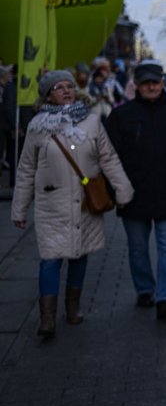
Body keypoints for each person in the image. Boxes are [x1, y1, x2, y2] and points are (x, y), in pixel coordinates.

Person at [12, 71, 134, 336]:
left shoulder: (91, 122)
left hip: (85, 203)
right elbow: (26, 168)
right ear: (47, 95)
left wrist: (123, 190)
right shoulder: (37, 127)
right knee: (50, 259)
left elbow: (108, 158)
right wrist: (19, 208)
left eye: (70, 86)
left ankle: (72, 306)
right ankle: (47, 317)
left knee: (80, 255)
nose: (66, 90)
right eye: (59, 87)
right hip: (51, 205)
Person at [106, 61, 166, 319]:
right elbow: (109, 158)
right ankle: (145, 289)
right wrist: (114, 192)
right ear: (136, 85)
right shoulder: (121, 115)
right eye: (146, 83)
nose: (151, 87)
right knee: (138, 247)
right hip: (132, 194)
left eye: (155, 82)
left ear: (163, 83)